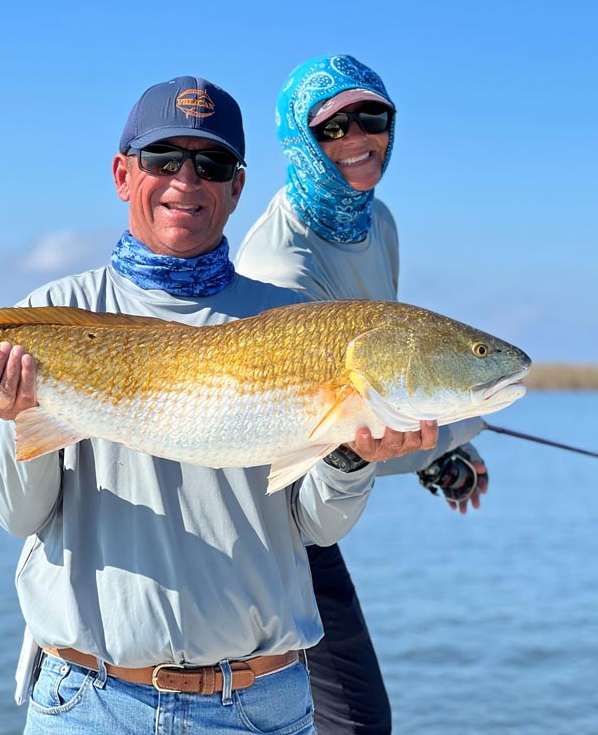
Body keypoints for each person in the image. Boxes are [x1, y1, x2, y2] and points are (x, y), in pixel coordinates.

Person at [0, 76, 441, 735]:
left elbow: (318, 527)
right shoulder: (51, 318)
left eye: (211, 163)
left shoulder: (298, 323)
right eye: (163, 159)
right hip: (88, 704)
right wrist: (15, 417)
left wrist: (352, 459)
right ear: (123, 175)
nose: (186, 179)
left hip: (259, 705)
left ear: (236, 187)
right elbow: (17, 514)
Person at [235, 54, 490, 735]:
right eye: (333, 126)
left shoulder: (378, 222)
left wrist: (437, 451)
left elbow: (384, 394)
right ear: (299, 137)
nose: (357, 137)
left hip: (325, 491)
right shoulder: (280, 265)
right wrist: (451, 438)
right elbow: (333, 425)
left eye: (371, 117)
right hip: (269, 512)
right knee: (351, 721)